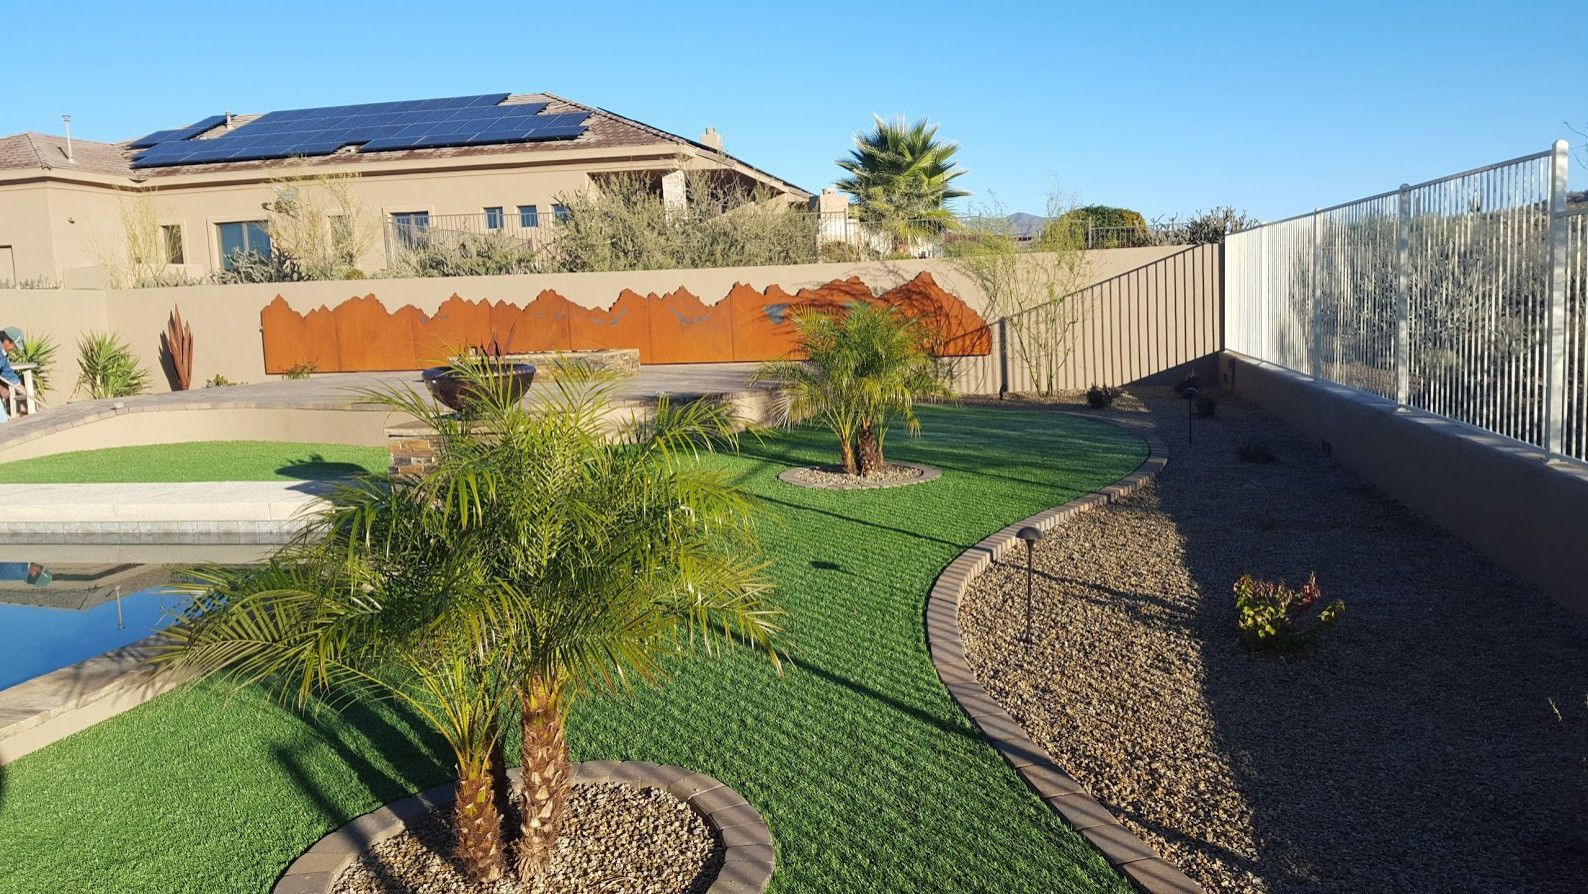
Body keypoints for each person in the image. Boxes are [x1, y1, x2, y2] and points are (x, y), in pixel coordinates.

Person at [0, 326, 27, 420]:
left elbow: (6, 371)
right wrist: (1, 389)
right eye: (15, 346)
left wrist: (18, 385)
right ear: (8, 341)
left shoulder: (3, 354)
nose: (14, 349)